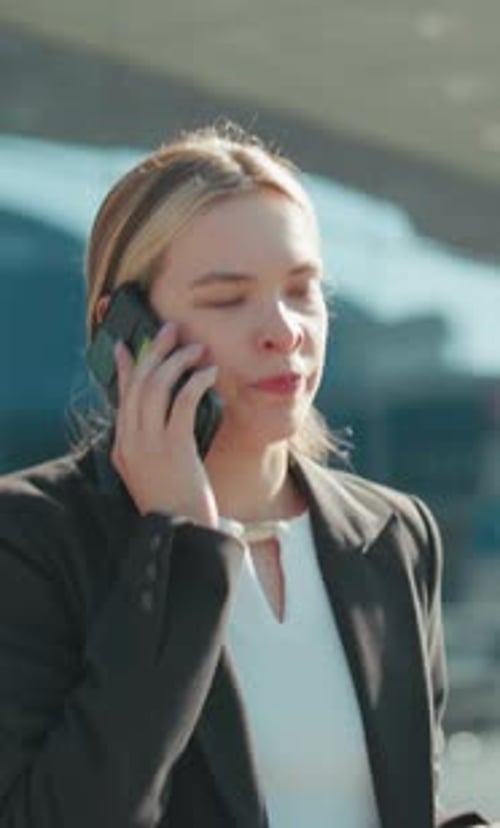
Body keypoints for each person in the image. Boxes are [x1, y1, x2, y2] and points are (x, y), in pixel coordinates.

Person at [0, 123, 490, 828]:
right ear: (123, 329)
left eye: (302, 289)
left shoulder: (392, 533)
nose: (285, 330)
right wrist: (178, 545)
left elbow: (395, 805)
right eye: (228, 298)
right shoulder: (31, 540)